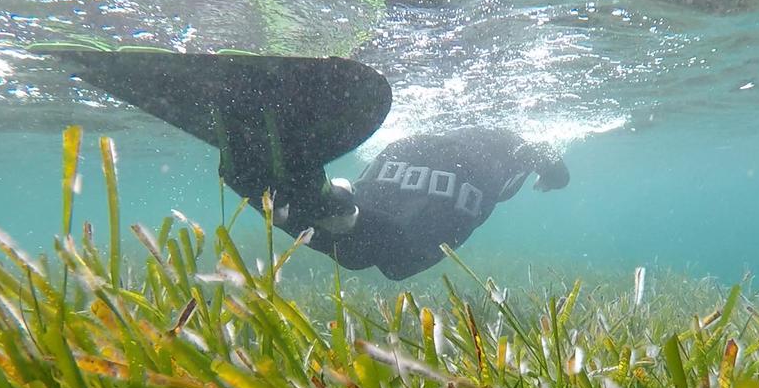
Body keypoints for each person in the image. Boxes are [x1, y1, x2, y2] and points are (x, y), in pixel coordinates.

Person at [42, 47, 569, 279]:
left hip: (400, 166)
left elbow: (532, 151)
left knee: (366, 249)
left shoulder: (461, 137)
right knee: (389, 260)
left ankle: (275, 167)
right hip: (420, 190)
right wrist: (553, 168)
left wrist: (545, 163)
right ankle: (312, 193)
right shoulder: (506, 142)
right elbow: (535, 150)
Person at [221, 125, 569, 279]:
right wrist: (552, 177)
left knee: (358, 250)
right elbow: (547, 157)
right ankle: (331, 208)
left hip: (408, 148)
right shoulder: (514, 144)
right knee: (400, 261)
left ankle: (283, 201)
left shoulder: (459, 127)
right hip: (465, 167)